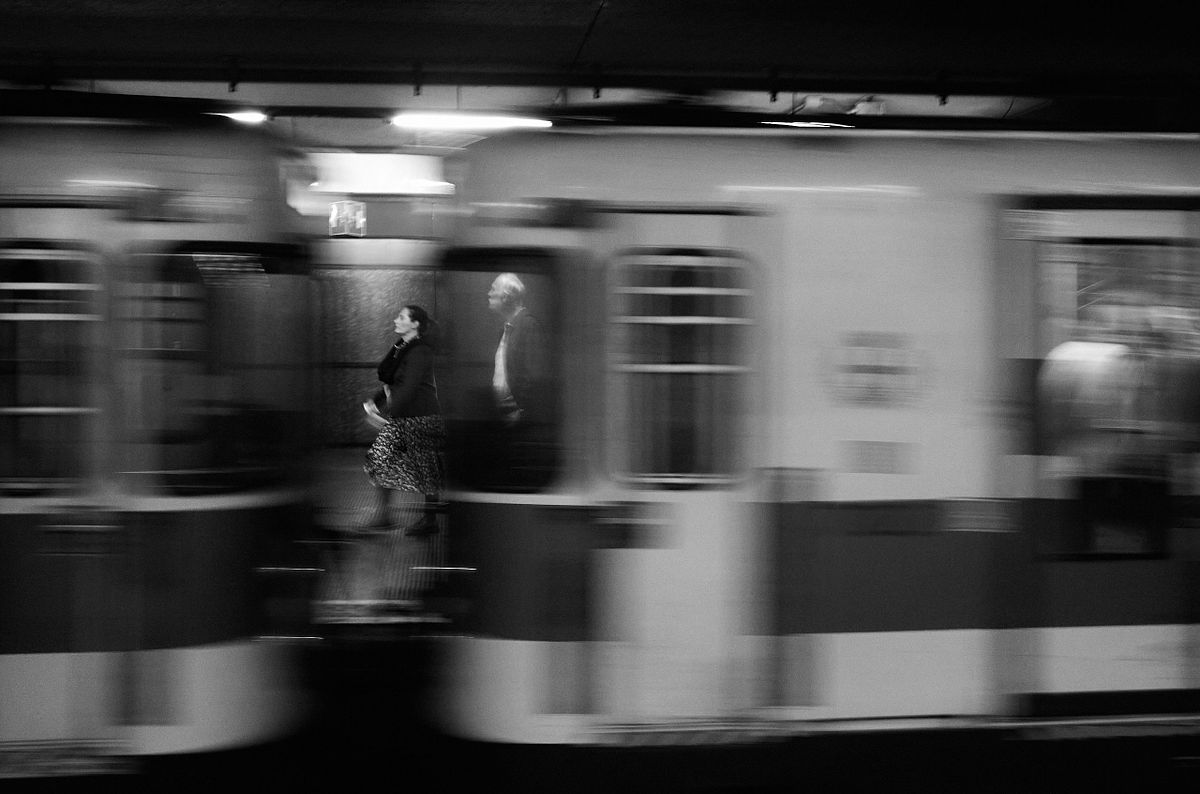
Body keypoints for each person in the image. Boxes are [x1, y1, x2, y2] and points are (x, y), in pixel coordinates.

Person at [362, 304, 444, 535]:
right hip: (405, 416)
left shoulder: (420, 352)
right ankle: (385, 516)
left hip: (421, 417)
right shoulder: (401, 347)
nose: (396, 320)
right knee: (380, 462)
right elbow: (393, 382)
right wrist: (375, 401)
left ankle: (428, 521)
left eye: (401, 317)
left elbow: (408, 388)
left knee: (426, 470)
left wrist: (384, 413)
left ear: (415, 324)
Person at [488, 272, 546, 425]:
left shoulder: (529, 325)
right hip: (506, 414)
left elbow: (534, 376)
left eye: (493, 289)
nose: (489, 293)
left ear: (506, 297)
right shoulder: (506, 329)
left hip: (519, 418)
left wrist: (520, 411)